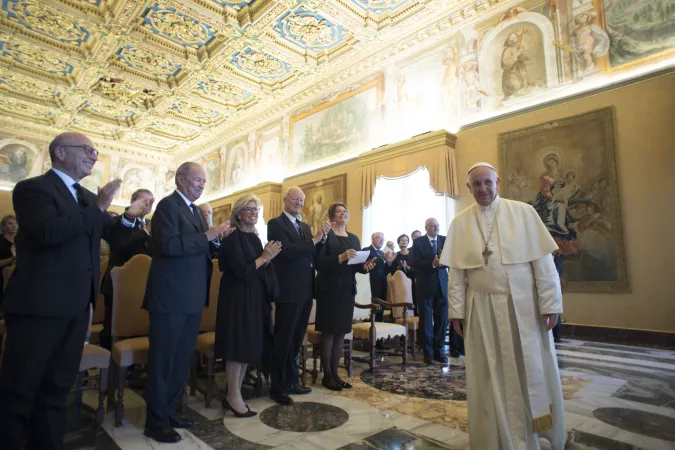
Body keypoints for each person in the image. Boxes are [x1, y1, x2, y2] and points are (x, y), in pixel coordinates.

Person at [0, 132, 147, 450]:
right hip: (37, 308)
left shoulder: (84, 197)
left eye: (96, 152)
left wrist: (128, 217)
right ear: (60, 152)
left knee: (57, 391)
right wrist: (99, 207)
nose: (94, 156)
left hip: (76, 308)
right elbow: (48, 232)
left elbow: (114, 237)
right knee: (19, 393)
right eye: (87, 150)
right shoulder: (33, 189)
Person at [442, 162, 565, 449]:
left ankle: (533, 434)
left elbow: (543, 263)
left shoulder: (523, 212)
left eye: (488, 182)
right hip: (481, 310)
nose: (483, 189)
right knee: (487, 374)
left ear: (498, 182)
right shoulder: (460, 222)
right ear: (468, 187)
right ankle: (493, 436)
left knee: (527, 369)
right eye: (476, 184)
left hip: (521, 308)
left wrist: (550, 303)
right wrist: (456, 312)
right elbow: (457, 274)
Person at [142, 162, 233, 443]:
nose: (201, 185)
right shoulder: (168, 207)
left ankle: (169, 411)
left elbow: (198, 247)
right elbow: (168, 246)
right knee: (163, 362)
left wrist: (216, 240)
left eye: (204, 181)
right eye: (197, 180)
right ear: (180, 180)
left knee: (181, 362)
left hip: (191, 298)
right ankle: (155, 422)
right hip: (170, 298)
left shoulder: (194, 210)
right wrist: (207, 235)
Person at [216, 195, 281, 417]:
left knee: (246, 347)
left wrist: (268, 258)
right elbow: (242, 271)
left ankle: (234, 395)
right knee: (237, 346)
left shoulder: (254, 238)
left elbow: (258, 268)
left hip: (253, 296)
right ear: (238, 213)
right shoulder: (231, 239)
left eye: (256, 210)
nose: (253, 213)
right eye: (249, 209)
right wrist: (265, 257)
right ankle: (233, 396)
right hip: (236, 298)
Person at [266, 187, 330, 405]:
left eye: (302, 200)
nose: (299, 203)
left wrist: (321, 240)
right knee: (283, 339)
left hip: (305, 289)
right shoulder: (275, 224)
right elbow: (287, 252)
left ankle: (292, 380)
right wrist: (314, 240)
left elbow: (310, 254)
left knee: (296, 339)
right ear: (285, 200)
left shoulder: (303, 226)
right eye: (295, 199)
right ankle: (277, 386)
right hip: (287, 289)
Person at [315, 203, 376, 391]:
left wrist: (364, 268)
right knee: (329, 332)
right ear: (332, 216)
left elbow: (356, 264)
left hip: (347, 289)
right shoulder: (326, 237)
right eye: (339, 212)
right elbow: (318, 263)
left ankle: (335, 374)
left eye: (345, 212)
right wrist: (340, 258)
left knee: (341, 332)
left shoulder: (353, 238)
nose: (343, 214)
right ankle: (327, 376)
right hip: (329, 289)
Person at [100, 189, 154, 350]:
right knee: (113, 328)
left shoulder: (152, 224)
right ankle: (109, 366)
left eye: (150, 202)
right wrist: (146, 232)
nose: (147, 205)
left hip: (142, 286)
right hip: (119, 286)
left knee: (138, 328)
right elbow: (121, 245)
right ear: (133, 202)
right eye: (144, 201)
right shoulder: (121, 221)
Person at [411, 218, 462, 364]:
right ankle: (428, 353)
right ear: (426, 227)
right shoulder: (418, 242)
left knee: (442, 320)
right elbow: (414, 263)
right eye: (433, 226)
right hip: (425, 285)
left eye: (438, 226)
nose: (436, 228)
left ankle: (439, 351)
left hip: (442, 284)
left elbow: (452, 258)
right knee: (426, 321)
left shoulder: (444, 240)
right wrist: (431, 264)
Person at [362, 232, 389, 321]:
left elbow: (385, 269)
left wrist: (390, 262)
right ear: (372, 239)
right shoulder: (366, 250)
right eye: (379, 238)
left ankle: (380, 324)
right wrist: (383, 259)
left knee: (381, 306)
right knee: (374, 307)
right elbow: (367, 265)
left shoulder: (382, 252)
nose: (381, 240)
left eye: (383, 239)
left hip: (383, 283)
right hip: (371, 283)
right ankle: (372, 325)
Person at [0, 215, 18, 298]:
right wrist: (13, 258)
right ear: (3, 227)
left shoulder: (21, 241)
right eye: (10, 223)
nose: (14, 225)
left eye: (16, 223)